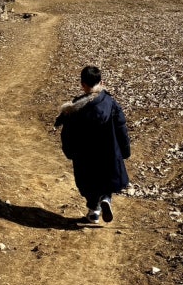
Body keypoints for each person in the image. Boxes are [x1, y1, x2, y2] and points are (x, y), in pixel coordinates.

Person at [54, 65, 130, 223]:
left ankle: (94, 211)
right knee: (106, 179)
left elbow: (68, 133)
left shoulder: (76, 108)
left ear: (83, 85)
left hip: (85, 156)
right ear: (102, 82)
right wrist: (125, 149)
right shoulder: (110, 103)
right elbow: (121, 126)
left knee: (89, 183)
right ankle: (106, 199)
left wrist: (69, 151)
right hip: (109, 152)